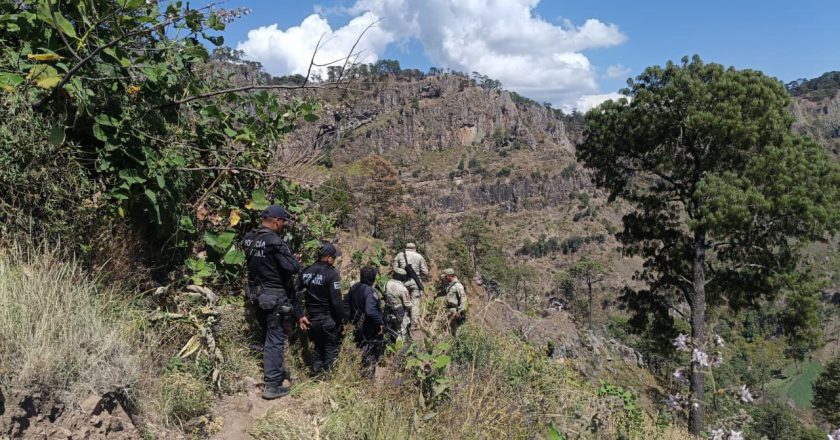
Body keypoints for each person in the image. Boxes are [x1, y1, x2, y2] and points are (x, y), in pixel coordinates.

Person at [242, 205, 301, 400]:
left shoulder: (249, 238)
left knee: (267, 335)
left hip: (257, 296)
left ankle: (272, 372)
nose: (283, 226)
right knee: (275, 340)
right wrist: (294, 259)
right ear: (276, 221)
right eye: (283, 222)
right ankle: (273, 385)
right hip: (274, 296)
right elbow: (292, 268)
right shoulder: (275, 242)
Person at [297, 243, 345, 376]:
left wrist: (300, 314)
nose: (334, 260)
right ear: (328, 258)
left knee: (318, 348)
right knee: (330, 350)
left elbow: (295, 293)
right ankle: (328, 380)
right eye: (334, 257)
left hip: (312, 319)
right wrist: (343, 320)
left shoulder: (306, 271)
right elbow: (336, 302)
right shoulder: (331, 274)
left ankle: (316, 376)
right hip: (328, 319)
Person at [344, 265, 385, 375]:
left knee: (360, 350)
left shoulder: (354, 287)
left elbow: (346, 304)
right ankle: (367, 379)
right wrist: (380, 322)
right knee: (370, 354)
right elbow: (370, 311)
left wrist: (347, 321)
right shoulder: (370, 292)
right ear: (373, 278)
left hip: (356, 326)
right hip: (368, 328)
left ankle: (359, 374)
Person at [391, 243, 429, 330]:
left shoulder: (399, 255)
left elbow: (394, 268)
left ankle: (401, 322)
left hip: (402, 282)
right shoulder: (419, 256)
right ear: (415, 248)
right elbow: (425, 272)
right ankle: (413, 325)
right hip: (416, 282)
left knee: (401, 302)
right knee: (415, 304)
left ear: (406, 247)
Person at [383, 267, 412, 341]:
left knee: (391, 331)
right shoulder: (402, 288)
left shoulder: (386, 284)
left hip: (388, 311)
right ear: (402, 277)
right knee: (401, 332)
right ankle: (400, 351)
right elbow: (407, 304)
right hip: (399, 312)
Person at [442, 268, 467, 336]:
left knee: (457, 331)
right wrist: (437, 295)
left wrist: (460, 311)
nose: (445, 278)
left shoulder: (458, 286)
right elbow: (446, 291)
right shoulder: (451, 285)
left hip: (456, 312)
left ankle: (458, 345)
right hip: (451, 311)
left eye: (445, 276)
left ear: (449, 276)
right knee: (448, 328)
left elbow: (463, 298)